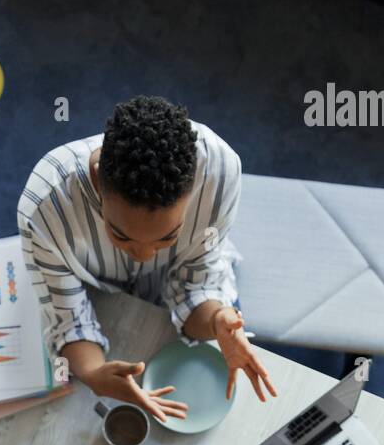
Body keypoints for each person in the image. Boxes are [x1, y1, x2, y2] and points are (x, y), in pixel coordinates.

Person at [17, 94, 276, 425]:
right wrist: (94, 373)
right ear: (97, 179)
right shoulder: (44, 209)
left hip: (197, 286)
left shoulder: (221, 174)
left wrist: (216, 322)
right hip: (101, 289)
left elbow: (196, 284)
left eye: (168, 236)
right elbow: (68, 320)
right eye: (121, 235)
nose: (144, 255)